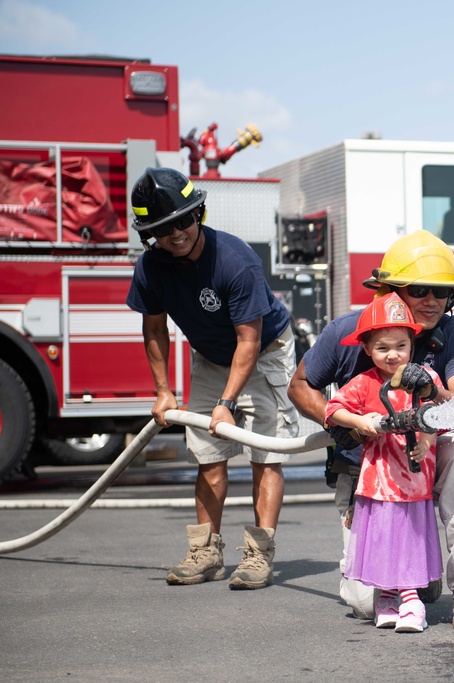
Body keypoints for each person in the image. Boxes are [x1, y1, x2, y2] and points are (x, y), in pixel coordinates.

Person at [288, 230, 454, 630]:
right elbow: (300, 386)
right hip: (370, 468)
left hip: (427, 455)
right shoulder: (351, 332)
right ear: (389, 290)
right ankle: (415, 576)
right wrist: (337, 425)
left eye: (442, 291)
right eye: (420, 289)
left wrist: (432, 390)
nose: (433, 300)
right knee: (366, 603)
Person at [125, 167, 298, 590]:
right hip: (211, 358)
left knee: (265, 455)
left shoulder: (235, 261)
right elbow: (154, 330)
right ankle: (206, 552)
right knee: (208, 456)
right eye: (163, 229)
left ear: (198, 213)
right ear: (150, 235)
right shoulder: (151, 268)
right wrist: (164, 391)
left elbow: (249, 340)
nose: (177, 233)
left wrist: (228, 402)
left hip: (264, 354)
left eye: (183, 220)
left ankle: (259, 555)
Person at [324, 292, 444, 633]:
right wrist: (361, 423)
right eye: (382, 348)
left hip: (413, 481)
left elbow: (436, 415)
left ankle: (411, 600)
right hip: (377, 482)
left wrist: (425, 441)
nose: (392, 355)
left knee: (407, 539)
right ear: (366, 349)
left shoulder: (425, 380)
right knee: (382, 539)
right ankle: (389, 599)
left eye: (400, 346)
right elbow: (332, 409)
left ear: (412, 345)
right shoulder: (364, 384)